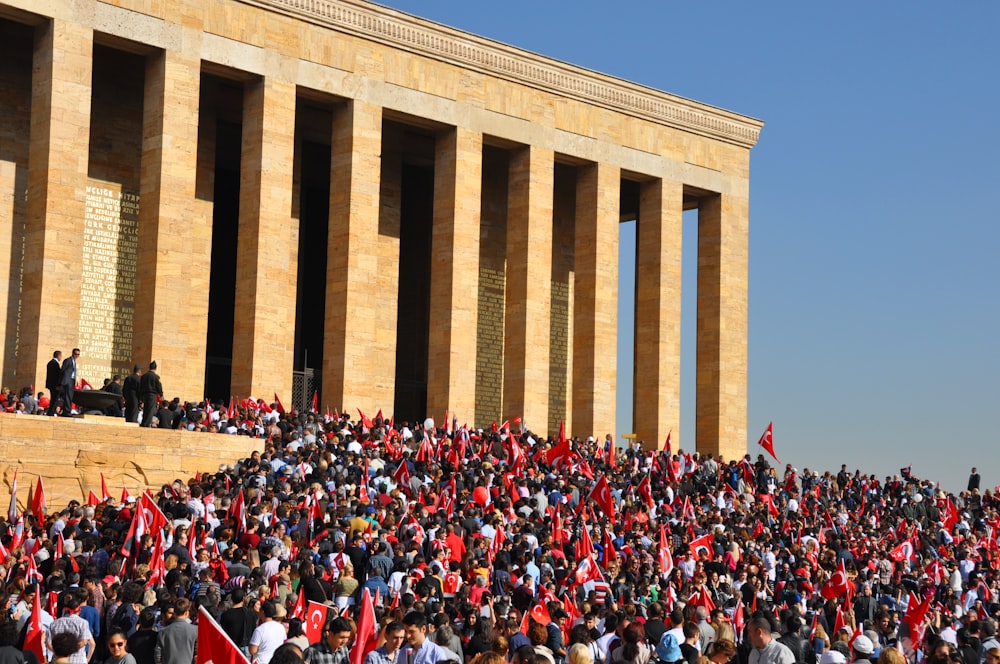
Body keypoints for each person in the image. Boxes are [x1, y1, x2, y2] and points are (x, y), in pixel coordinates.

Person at [48, 592, 96, 664]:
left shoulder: (54, 623)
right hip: (78, 660)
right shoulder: (83, 623)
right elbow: (85, 641)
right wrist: (87, 659)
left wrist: (59, 652)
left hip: (58, 660)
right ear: (79, 610)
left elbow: (48, 642)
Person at [154, 598, 197, 664]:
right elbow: (197, 655)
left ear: (174, 613)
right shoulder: (195, 630)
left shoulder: (163, 632)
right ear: (187, 612)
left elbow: (158, 657)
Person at [138, 361, 162, 428]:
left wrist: (141, 396)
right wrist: (161, 394)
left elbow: (141, 386)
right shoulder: (156, 377)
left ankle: (144, 422)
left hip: (145, 395)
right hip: (152, 395)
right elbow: (159, 386)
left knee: (145, 409)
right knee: (150, 410)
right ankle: (146, 424)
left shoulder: (144, 376)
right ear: (155, 368)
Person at [59, 348, 80, 416]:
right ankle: (67, 412)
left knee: (69, 397)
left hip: (71, 381)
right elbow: (63, 370)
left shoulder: (74, 361)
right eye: (76, 354)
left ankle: (66, 411)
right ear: (73, 353)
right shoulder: (68, 360)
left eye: (78, 354)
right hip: (67, 381)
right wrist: (62, 382)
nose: (77, 355)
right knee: (67, 396)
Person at [46, 350, 62, 416]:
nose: (61, 357)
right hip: (54, 385)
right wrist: (57, 385)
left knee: (53, 399)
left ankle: (50, 412)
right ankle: (51, 413)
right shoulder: (55, 363)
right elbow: (55, 376)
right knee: (54, 399)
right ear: (58, 356)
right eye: (61, 356)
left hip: (51, 385)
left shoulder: (50, 363)